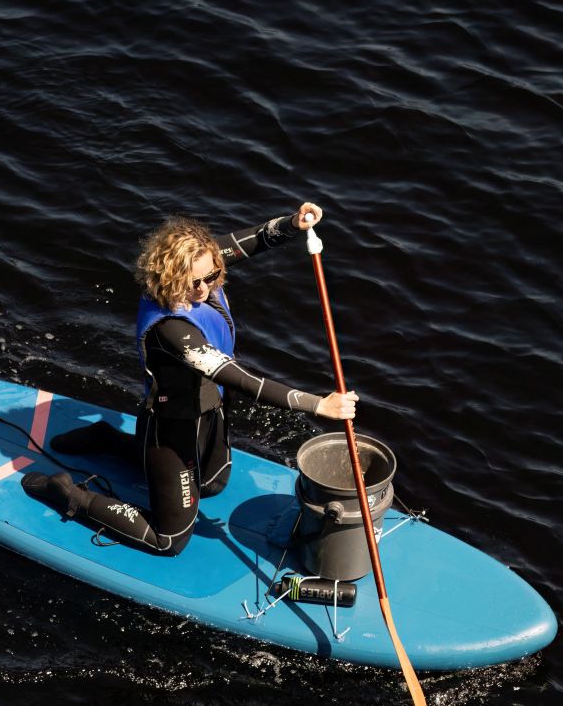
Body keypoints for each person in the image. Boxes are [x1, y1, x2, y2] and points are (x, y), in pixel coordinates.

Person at [23, 201, 356, 554]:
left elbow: (251, 240)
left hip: (210, 412)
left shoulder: (207, 268)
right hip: (171, 429)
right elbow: (236, 377)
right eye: (191, 283)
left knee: (212, 485)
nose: (203, 289)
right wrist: (317, 404)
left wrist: (292, 223)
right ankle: (68, 492)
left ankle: (109, 439)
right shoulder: (170, 329)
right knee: (169, 541)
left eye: (211, 277)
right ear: (168, 278)